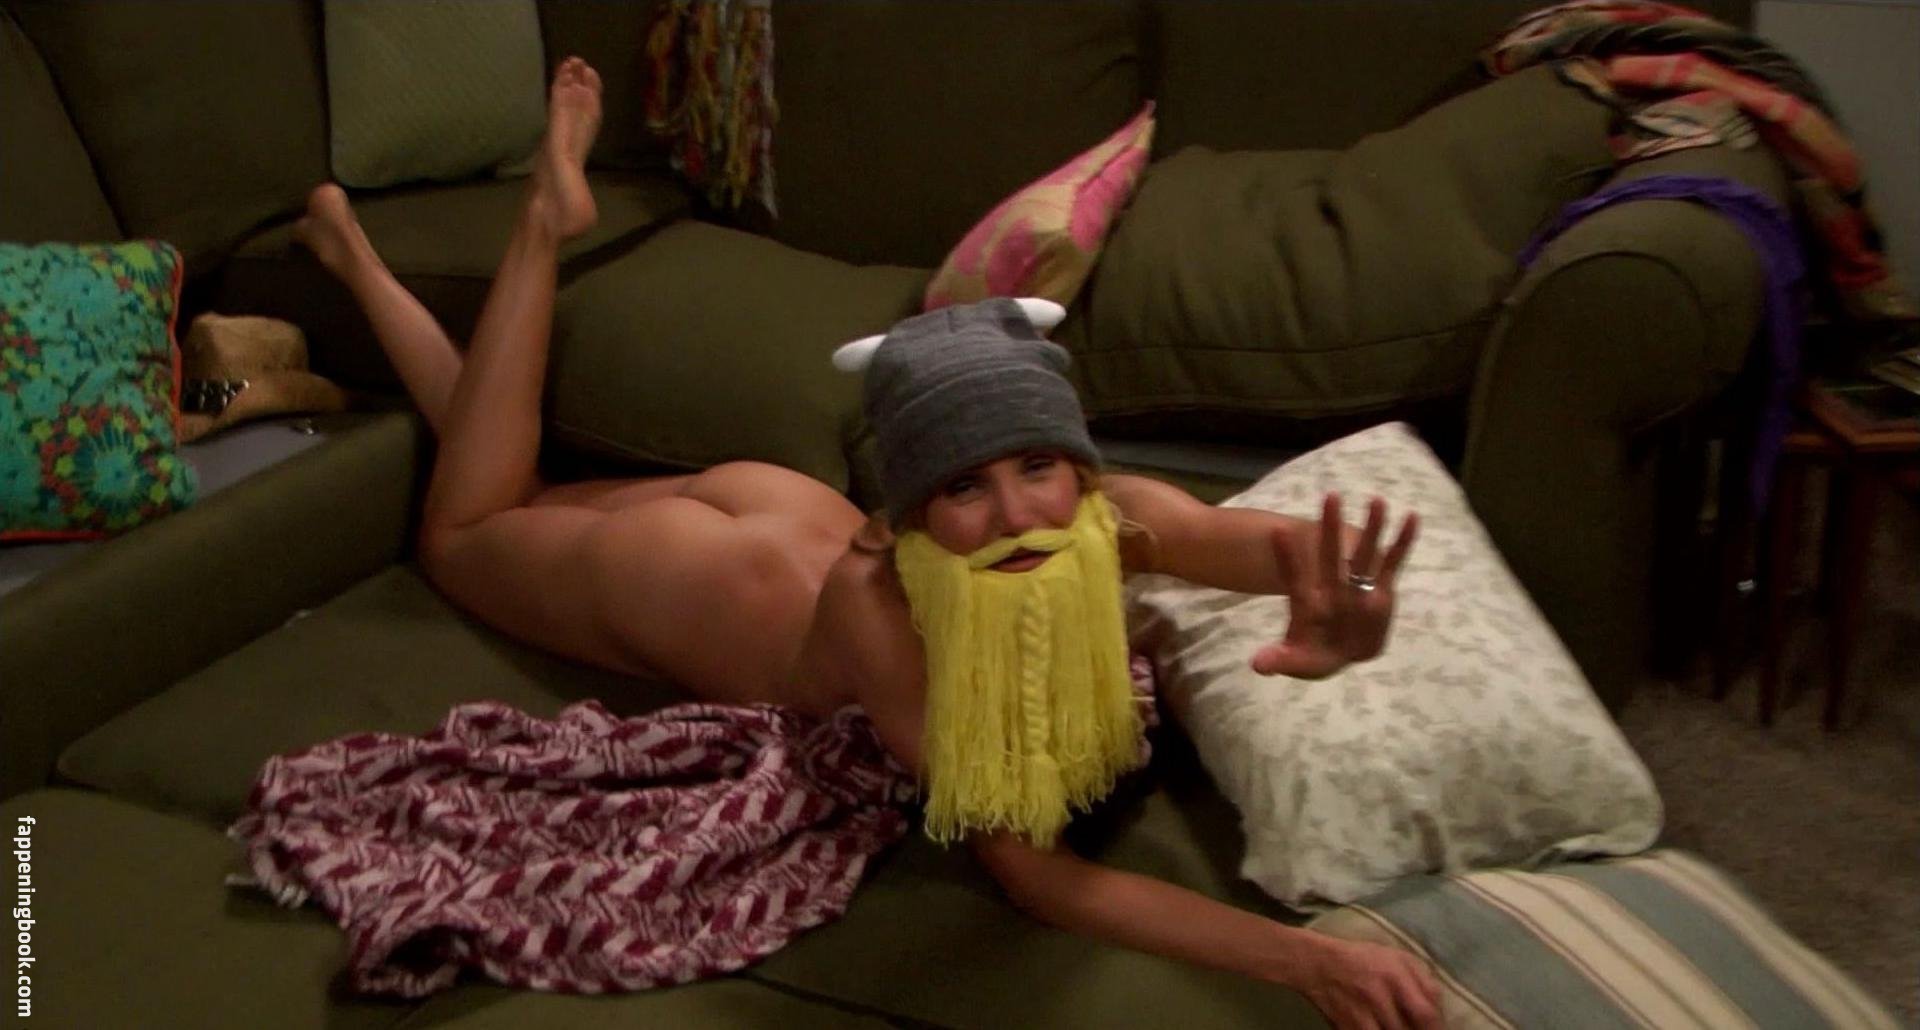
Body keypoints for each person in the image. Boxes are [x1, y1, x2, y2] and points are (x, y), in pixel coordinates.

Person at [294, 57, 1440, 1030]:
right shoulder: (882, 618)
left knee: (508, 490)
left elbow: (1266, 546)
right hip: (705, 583)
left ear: (1081, 471)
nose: (1018, 516)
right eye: (965, 487)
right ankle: (539, 226)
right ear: (911, 513)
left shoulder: (1109, 516)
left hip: (778, 520)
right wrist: (1305, 959)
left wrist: (1345, 597)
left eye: (1036, 469)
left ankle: (358, 264)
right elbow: (1040, 877)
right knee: (465, 532)